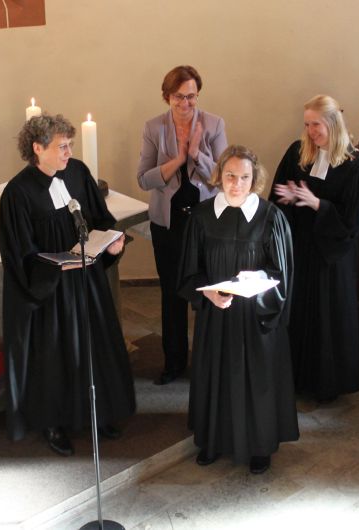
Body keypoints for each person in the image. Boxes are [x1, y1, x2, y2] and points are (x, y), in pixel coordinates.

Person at [0, 114, 136, 456]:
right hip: (53, 295)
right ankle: (54, 423)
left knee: (94, 347)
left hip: (87, 284)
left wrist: (112, 242)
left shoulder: (77, 173)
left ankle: (98, 413)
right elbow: (19, 253)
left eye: (70, 145)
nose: (68, 152)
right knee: (56, 357)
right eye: (61, 147)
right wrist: (55, 269)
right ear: (37, 148)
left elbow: (100, 219)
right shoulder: (18, 193)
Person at [178, 145, 298, 474]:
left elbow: (281, 274)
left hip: (255, 318)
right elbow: (188, 273)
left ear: (254, 179)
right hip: (217, 315)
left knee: (255, 379)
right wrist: (210, 295)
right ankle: (212, 441)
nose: (237, 184)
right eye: (230, 175)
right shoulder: (202, 217)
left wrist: (257, 281)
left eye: (245, 177)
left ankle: (260, 445)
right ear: (219, 176)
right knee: (216, 377)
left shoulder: (271, 217)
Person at [270, 94, 359, 402]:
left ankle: (327, 384)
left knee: (327, 319)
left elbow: (353, 221)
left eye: (317, 124)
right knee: (298, 313)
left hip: (332, 256)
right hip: (300, 247)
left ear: (332, 123)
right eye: (307, 124)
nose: (311, 131)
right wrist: (286, 199)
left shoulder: (356, 167)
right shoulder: (297, 152)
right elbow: (278, 193)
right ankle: (296, 378)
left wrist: (317, 204)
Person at [137, 65, 228, 385]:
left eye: (192, 96)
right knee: (172, 293)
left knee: (207, 289)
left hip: (205, 223)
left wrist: (196, 154)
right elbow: (143, 179)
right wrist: (177, 160)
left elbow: (222, 178)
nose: (186, 103)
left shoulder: (214, 124)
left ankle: (208, 362)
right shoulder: (153, 127)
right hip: (168, 223)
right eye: (179, 97)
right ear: (167, 97)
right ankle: (173, 363)